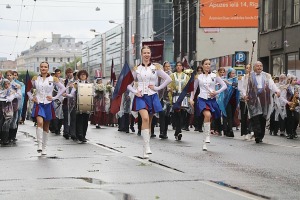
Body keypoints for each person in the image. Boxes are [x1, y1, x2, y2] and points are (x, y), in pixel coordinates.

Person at [127, 45, 172, 158]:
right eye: (145, 53)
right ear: (141, 54)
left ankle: (145, 146)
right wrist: (135, 91)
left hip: (152, 96)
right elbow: (127, 84)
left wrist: (157, 88)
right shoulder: (137, 69)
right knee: (145, 118)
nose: (147, 55)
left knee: (150, 121)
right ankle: (147, 147)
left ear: (150, 55)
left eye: (148, 53)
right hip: (141, 96)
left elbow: (168, 79)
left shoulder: (156, 68)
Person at [27, 61, 66, 155]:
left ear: (48, 68)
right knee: (39, 122)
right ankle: (39, 145)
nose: (43, 68)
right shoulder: (35, 78)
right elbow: (28, 90)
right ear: (39, 68)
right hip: (39, 103)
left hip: (48, 103)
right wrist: (32, 98)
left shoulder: (54, 79)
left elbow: (63, 88)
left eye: (45, 67)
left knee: (46, 126)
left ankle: (44, 147)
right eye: (42, 67)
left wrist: (54, 97)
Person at [190, 58, 227, 151]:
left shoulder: (214, 76)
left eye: (209, 64)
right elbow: (193, 89)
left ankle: (204, 140)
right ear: (202, 66)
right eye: (205, 64)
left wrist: (216, 92)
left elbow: (224, 86)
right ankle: (207, 136)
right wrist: (191, 99)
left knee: (210, 117)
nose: (207, 66)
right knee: (207, 115)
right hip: (202, 99)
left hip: (212, 99)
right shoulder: (198, 77)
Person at [245, 61, 280, 143]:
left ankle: (261, 135)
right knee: (255, 117)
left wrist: (277, 91)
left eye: (261, 66)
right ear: (254, 67)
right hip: (253, 100)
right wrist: (244, 95)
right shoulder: (249, 76)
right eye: (257, 66)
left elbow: (272, 85)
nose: (259, 67)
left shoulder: (267, 75)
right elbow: (244, 87)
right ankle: (257, 135)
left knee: (262, 117)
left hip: (264, 99)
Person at [168, 61, 190, 140]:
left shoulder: (186, 76)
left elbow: (189, 87)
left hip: (183, 97)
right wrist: (170, 91)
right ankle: (178, 130)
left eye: (180, 65)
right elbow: (169, 85)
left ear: (182, 67)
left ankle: (178, 131)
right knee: (177, 114)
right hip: (176, 97)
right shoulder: (172, 75)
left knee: (183, 114)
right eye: (177, 65)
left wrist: (189, 97)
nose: (178, 67)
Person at [218, 68, 240, 137]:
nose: (233, 75)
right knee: (227, 115)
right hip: (227, 100)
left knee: (232, 115)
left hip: (234, 100)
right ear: (229, 74)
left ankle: (228, 129)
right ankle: (228, 130)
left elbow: (237, 86)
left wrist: (229, 83)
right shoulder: (225, 79)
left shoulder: (235, 80)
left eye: (234, 73)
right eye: (232, 73)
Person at [75, 70, 91, 143]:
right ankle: (80, 135)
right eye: (81, 75)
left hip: (87, 105)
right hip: (78, 105)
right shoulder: (76, 84)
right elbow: (72, 94)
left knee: (85, 121)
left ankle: (83, 135)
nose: (83, 76)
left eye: (84, 74)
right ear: (79, 76)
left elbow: (92, 94)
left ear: (86, 76)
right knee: (79, 120)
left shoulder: (90, 85)